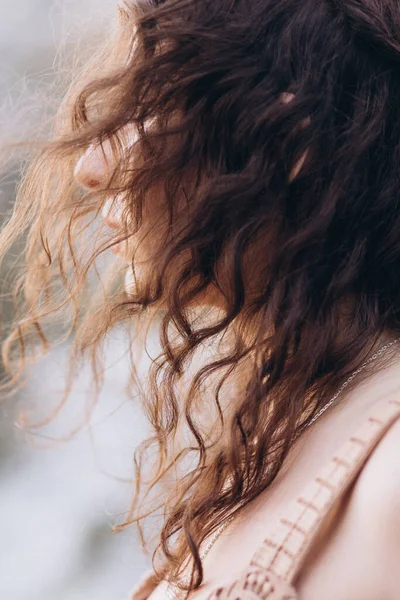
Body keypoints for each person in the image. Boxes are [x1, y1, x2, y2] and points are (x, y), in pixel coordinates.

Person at [2, 0, 400, 598]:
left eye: (145, 106)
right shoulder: (273, 438)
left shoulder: (389, 473)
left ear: (292, 137)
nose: (91, 165)